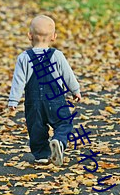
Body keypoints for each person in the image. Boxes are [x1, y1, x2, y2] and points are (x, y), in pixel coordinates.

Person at [8, 15, 81, 166]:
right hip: (55, 100)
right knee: (64, 123)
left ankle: (41, 155)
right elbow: (68, 75)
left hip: (33, 103)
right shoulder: (57, 56)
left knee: (36, 128)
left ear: (30, 35)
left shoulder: (24, 58)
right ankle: (59, 141)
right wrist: (75, 90)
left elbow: (18, 81)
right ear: (54, 37)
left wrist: (13, 100)